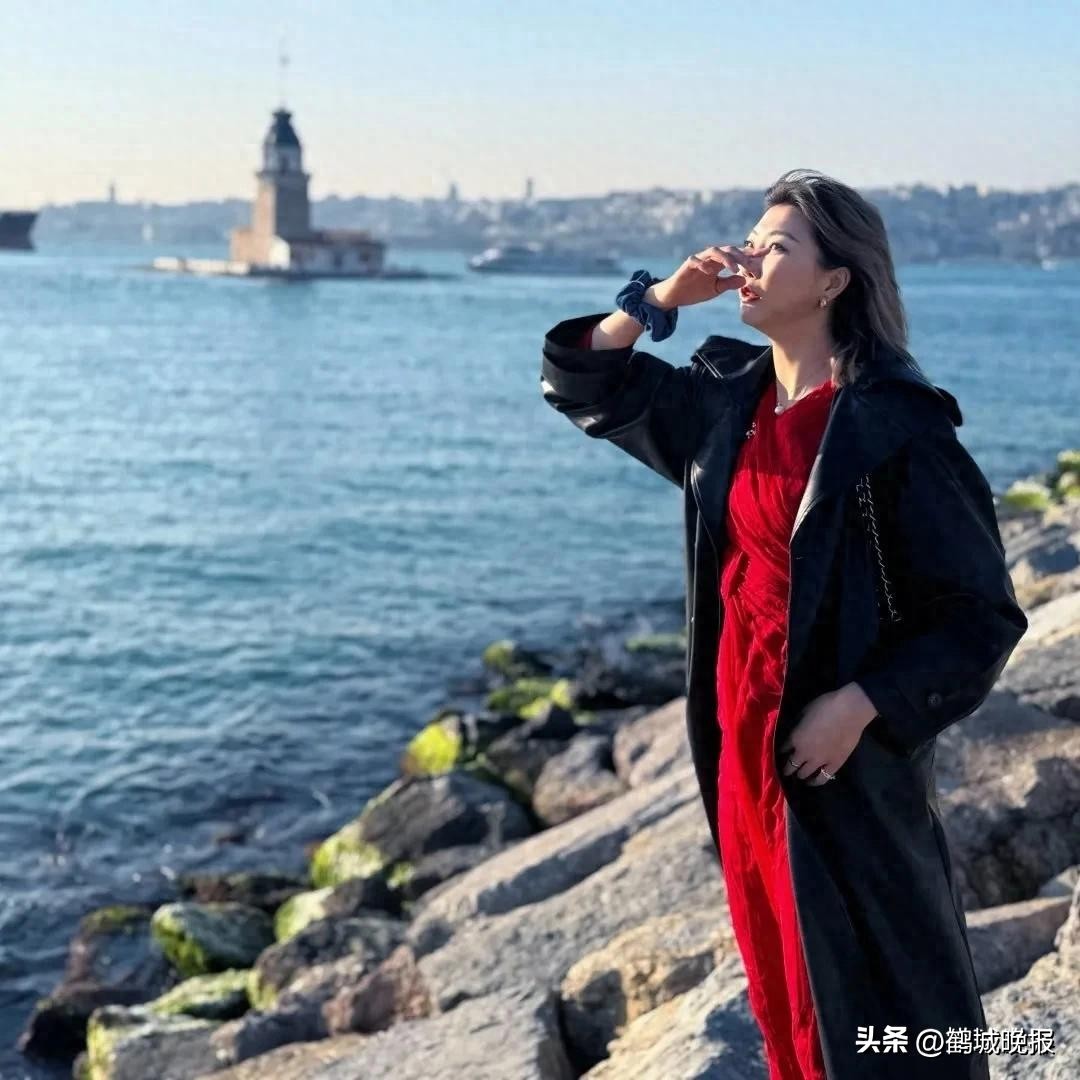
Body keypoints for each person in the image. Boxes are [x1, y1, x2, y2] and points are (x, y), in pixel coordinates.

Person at [539, 169, 1027, 1079]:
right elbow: (580, 381)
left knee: (878, 997)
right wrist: (659, 299)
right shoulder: (726, 404)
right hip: (740, 739)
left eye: (776, 247)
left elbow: (980, 617)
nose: (749, 259)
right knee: (781, 983)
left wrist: (862, 705)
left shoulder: (895, 428)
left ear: (835, 279)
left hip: (839, 756)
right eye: (752, 241)